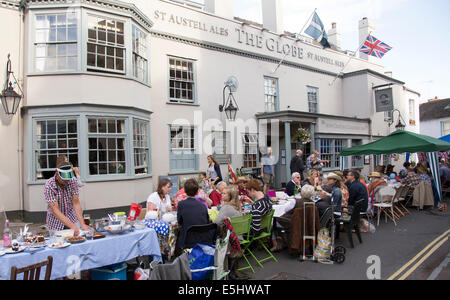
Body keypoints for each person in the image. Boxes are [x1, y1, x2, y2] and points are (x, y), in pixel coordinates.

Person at [44, 156, 92, 236]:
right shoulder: (49, 185)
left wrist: (82, 223)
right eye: (64, 179)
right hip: (55, 221)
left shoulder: (73, 181)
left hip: (71, 216)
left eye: (68, 179)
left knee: (78, 237)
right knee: (58, 242)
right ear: (57, 174)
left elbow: (76, 203)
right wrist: (72, 226)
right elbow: (55, 210)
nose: (66, 181)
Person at [176, 178, 211, 249]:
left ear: (185, 191)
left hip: (187, 240)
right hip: (203, 239)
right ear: (197, 191)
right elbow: (206, 221)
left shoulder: (181, 204)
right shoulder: (202, 206)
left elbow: (179, 222)